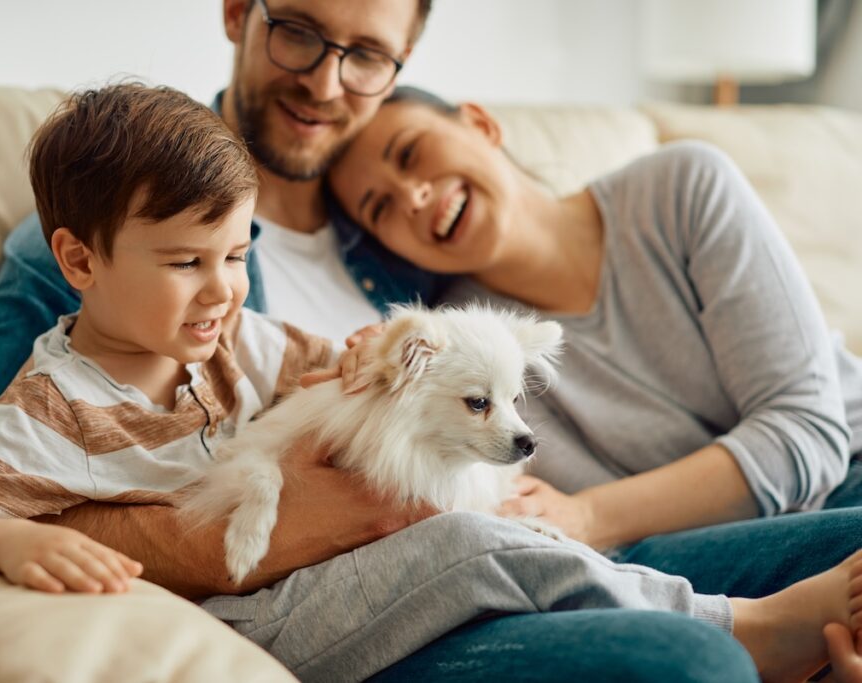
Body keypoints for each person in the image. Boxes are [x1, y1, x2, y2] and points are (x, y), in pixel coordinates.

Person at [0, 2, 799, 681]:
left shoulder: (394, 228)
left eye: (368, 54)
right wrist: (232, 530)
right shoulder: (108, 244)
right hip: (367, 581)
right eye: (300, 32)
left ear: (401, 62)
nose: (329, 83)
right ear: (237, 11)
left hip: (538, 532)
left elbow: (369, 367)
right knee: (692, 663)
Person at [324, 85, 862, 666]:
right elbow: (618, 552)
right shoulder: (465, 363)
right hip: (691, 544)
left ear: (480, 124)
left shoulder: (681, 188)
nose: (411, 196)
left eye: (410, 153)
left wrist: (587, 513)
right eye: (380, 208)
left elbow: (809, 430)